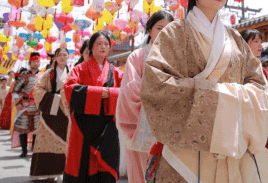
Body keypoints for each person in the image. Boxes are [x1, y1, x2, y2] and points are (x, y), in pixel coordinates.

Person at [141, 0, 268, 183]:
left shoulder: (234, 38)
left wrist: (233, 98)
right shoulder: (174, 33)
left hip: (230, 147)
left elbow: (257, 82)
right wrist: (224, 97)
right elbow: (157, 85)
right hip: (184, 150)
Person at [117, 10, 174, 183]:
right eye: (159, 28)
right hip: (143, 123)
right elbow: (131, 90)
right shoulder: (137, 56)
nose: (164, 33)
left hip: (171, 126)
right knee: (143, 173)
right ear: (149, 30)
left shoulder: (177, 59)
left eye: (169, 29)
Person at [63, 32, 123, 183]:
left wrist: (109, 93)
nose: (103, 47)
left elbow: (126, 91)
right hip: (83, 125)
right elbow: (69, 88)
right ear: (91, 48)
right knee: (82, 163)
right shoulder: (80, 69)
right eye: (99, 44)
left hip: (107, 127)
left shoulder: (116, 72)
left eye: (106, 44)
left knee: (107, 164)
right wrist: (97, 93)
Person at [240, 28, 268, 160]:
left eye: (261, 41)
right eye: (255, 41)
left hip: (266, 126)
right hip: (248, 127)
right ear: (244, 44)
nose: (260, 45)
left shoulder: (262, 70)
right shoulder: (238, 67)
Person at [30, 47, 70, 179]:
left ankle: (64, 172)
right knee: (48, 141)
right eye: (60, 55)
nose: (62, 57)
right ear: (55, 58)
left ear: (68, 57)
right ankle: (48, 172)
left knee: (65, 142)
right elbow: (38, 89)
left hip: (65, 113)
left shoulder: (73, 73)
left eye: (65, 55)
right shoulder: (48, 73)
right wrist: (53, 98)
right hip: (50, 113)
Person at [12, 52, 42, 158]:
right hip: (25, 105)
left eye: (37, 61)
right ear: (30, 62)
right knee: (22, 128)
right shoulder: (24, 76)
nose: (36, 63)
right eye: (34, 61)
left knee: (36, 129)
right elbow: (15, 91)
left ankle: (34, 149)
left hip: (38, 105)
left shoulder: (42, 76)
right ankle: (24, 150)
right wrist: (17, 104)